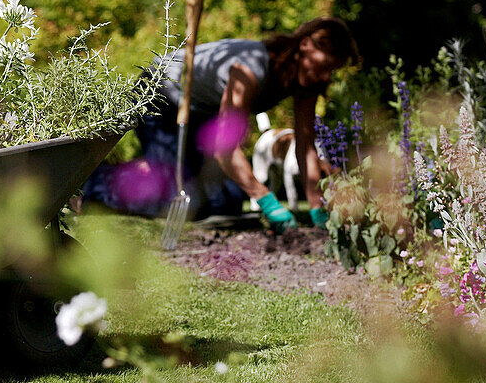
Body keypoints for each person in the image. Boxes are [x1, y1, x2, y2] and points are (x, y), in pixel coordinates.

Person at [82, 17, 359, 232]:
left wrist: (316, 206)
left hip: (200, 112)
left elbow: (306, 146)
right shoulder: (249, 68)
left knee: (225, 202)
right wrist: (266, 200)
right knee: (171, 196)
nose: (326, 74)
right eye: (326, 65)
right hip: (160, 95)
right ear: (306, 45)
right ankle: (90, 184)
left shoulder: (307, 80)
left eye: (332, 69)